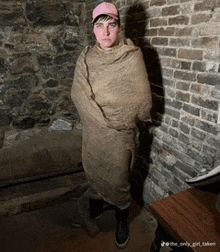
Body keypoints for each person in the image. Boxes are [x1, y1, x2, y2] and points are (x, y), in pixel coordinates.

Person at [71, 2, 152, 249]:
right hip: (94, 132)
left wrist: (118, 115)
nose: (105, 32)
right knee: (95, 171)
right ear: (93, 29)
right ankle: (96, 204)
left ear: (120, 27)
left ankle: (121, 218)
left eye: (111, 25)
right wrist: (98, 116)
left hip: (121, 132)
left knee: (118, 178)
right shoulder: (86, 58)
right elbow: (78, 93)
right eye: (99, 26)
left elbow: (142, 100)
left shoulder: (132, 56)